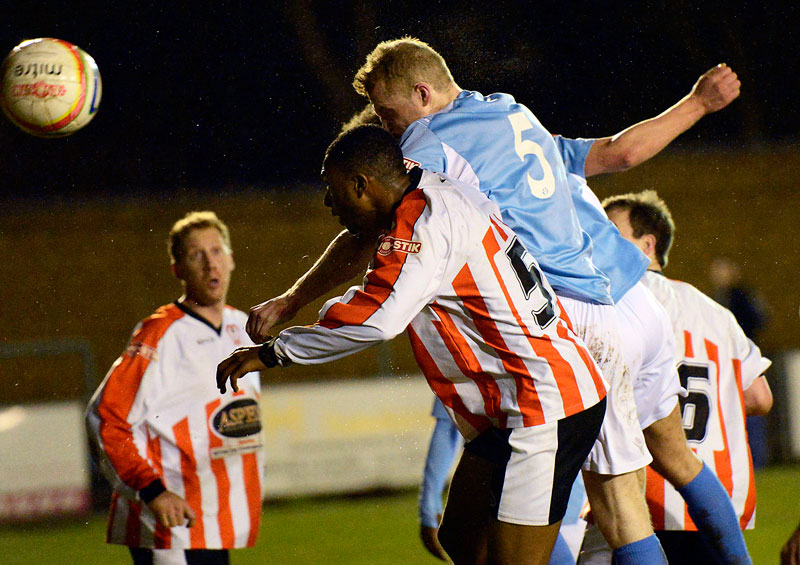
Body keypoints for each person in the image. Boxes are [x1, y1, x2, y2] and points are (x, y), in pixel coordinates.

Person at [248, 37, 668, 563]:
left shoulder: (427, 156)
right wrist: (697, 104)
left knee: (611, 513)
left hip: (558, 344)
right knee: (474, 538)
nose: (387, 129)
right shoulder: (506, 110)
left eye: (387, 114)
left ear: (422, 95)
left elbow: (369, 252)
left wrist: (290, 308)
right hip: (598, 300)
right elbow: (614, 155)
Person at [218, 125, 609, 564]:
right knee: (462, 539)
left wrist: (274, 352)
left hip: (545, 403)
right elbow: (370, 265)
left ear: (361, 185)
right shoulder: (428, 190)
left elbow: (377, 319)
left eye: (332, 188)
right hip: (513, 403)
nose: (328, 201)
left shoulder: (423, 225)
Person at [417, 61, 743, 563]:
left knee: (594, 502)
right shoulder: (535, 140)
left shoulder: (449, 167)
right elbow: (624, 152)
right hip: (640, 299)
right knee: (677, 459)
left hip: (587, 315)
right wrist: (699, 102)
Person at [575, 190, 773, 564]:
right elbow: (760, 398)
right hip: (716, 499)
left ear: (648, 245)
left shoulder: (612, 302)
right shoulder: (716, 312)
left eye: (611, 231)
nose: (598, 239)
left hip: (641, 497)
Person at [85, 211, 264, 565]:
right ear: (177, 270)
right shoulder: (160, 334)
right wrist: (153, 492)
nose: (210, 263)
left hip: (215, 523)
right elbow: (105, 417)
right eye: (196, 255)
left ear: (231, 259)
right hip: (170, 526)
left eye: (216, 251)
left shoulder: (242, 327)